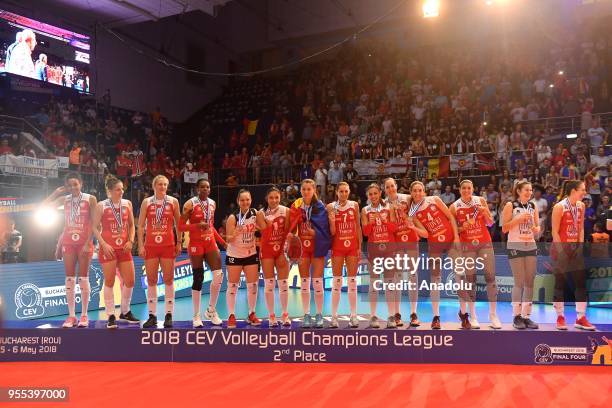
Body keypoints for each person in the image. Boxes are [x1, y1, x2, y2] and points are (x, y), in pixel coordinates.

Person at [43, 173, 96, 328]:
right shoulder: (64, 199)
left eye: (75, 184)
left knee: (83, 279)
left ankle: (85, 315)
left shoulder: (90, 199)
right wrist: (56, 192)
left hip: (84, 242)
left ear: (81, 183)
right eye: (70, 185)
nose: (73, 187)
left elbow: (95, 223)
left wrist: (88, 242)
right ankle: (72, 316)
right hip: (68, 242)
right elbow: (44, 206)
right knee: (69, 279)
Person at [408, 181, 460, 329]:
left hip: (450, 241)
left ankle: (464, 314)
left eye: (420, 190)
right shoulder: (414, 212)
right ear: (411, 193)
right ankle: (436, 317)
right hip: (434, 246)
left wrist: (456, 237)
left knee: (460, 274)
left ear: (424, 191)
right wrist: (413, 227)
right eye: (415, 191)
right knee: (435, 280)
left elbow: (450, 217)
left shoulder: (435, 200)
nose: (417, 193)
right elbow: (425, 233)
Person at [450, 180, 500, 329]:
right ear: (459, 190)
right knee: (470, 279)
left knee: (490, 277)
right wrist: (462, 227)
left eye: (469, 188)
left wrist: (485, 212)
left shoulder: (480, 201)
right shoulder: (454, 207)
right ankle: (473, 316)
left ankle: (493, 315)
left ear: (472, 189)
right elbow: (453, 231)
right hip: (467, 246)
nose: (466, 190)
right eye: (463, 188)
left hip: (484, 242)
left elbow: (490, 223)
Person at [93, 174, 139, 329]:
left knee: (130, 281)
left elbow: (132, 225)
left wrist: (131, 241)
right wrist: (104, 245)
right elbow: (93, 227)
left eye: (122, 189)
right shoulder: (102, 205)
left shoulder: (127, 204)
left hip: (124, 248)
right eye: (118, 190)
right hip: (109, 249)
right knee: (110, 282)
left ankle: (125, 311)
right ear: (110, 191)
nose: (121, 192)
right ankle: (111, 314)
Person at [179, 178, 226, 328]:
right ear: (197, 189)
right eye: (202, 187)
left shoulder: (212, 203)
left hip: (210, 241)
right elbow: (180, 226)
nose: (205, 189)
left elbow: (211, 226)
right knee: (198, 277)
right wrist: (196, 225)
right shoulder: (190, 204)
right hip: (196, 244)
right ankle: (196, 315)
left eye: (207, 187)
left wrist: (222, 241)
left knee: (219, 275)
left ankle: (211, 310)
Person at [137, 175, 182, 329]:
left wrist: (179, 242)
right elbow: (141, 226)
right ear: (154, 186)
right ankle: (152, 316)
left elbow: (178, 224)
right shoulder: (147, 202)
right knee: (151, 281)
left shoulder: (173, 201)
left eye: (165, 184)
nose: (162, 187)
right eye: (160, 184)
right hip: (151, 246)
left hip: (168, 245)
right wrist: (141, 245)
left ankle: (169, 315)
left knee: (169, 280)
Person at [551, 180, 596, 331]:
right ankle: (560, 317)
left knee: (580, 283)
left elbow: (581, 228)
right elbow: (554, 232)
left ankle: (581, 318)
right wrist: (562, 252)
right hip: (561, 249)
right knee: (560, 284)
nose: (585, 192)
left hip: (576, 249)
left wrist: (580, 246)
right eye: (582, 189)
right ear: (573, 190)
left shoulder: (581, 206)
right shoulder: (559, 207)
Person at [384, 178, 428, 327]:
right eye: (387, 187)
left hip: (410, 240)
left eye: (392, 186)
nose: (391, 188)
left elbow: (420, 199)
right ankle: (397, 314)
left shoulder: (407, 198)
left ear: (396, 186)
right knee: (396, 277)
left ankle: (414, 313)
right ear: (385, 189)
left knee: (413, 276)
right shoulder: (383, 204)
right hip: (395, 243)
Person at [289, 179, 332, 328]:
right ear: (300, 190)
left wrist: (315, 233)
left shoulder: (320, 207)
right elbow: (291, 226)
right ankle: (306, 314)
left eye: (309, 189)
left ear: (314, 190)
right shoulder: (295, 207)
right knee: (305, 282)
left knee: (318, 282)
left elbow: (325, 230)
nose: (306, 192)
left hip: (317, 247)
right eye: (304, 189)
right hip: (302, 249)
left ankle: (319, 314)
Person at [502, 181, 540, 330]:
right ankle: (516, 316)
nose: (529, 192)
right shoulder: (510, 205)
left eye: (531, 190)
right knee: (519, 281)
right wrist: (517, 219)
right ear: (518, 191)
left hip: (530, 244)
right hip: (515, 245)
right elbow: (504, 228)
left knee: (530, 282)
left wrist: (534, 228)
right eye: (526, 190)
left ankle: (526, 317)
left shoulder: (533, 206)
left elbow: (537, 228)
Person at [225, 189, 265, 328]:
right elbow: (228, 240)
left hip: (250, 253)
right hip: (235, 255)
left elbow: (263, 229)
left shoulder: (256, 214)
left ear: (251, 200)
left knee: (253, 285)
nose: (245, 202)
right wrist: (235, 232)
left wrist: (259, 229)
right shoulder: (233, 217)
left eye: (247, 199)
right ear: (238, 201)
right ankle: (231, 315)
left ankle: (252, 313)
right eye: (242, 200)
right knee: (232, 286)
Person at [361, 183, 398, 328]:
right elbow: (365, 233)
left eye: (375, 193)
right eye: (370, 194)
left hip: (389, 249)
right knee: (374, 283)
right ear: (368, 196)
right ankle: (373, 316)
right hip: (374, 250)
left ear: (380, 193)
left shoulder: (389, 207)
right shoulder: (365, 210)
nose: (373, 196)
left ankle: (391, 317)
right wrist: (370, 224)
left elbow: (394, 228)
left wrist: (384, 221)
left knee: (389, 284)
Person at [326, 182, 362, 328]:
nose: (344, 194)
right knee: (337, 282)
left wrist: (359, 246)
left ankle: (353, 316)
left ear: (349, 191)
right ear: (336, 192)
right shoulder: (330, 207)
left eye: (346, 191)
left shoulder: (354, 205)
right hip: (338, 247)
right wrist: (333, 222)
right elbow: (332, 232)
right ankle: (334, 316)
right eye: (341, 191)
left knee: (352, 282)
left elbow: (357, 226)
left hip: (352, 247)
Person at [259, 187, 292, 326]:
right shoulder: (260, 213)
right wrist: (268, 225)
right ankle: (271, 316)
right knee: (269, 285)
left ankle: (285, 314)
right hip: (267, 250)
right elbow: (264, 234)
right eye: (271, 198)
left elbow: (288, 232)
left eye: (276, 197)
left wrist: (285, 250)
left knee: (284, 284)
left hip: (281, 250)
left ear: (280, 197)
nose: (274, 200)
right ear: (267, 198)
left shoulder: (286, 211)